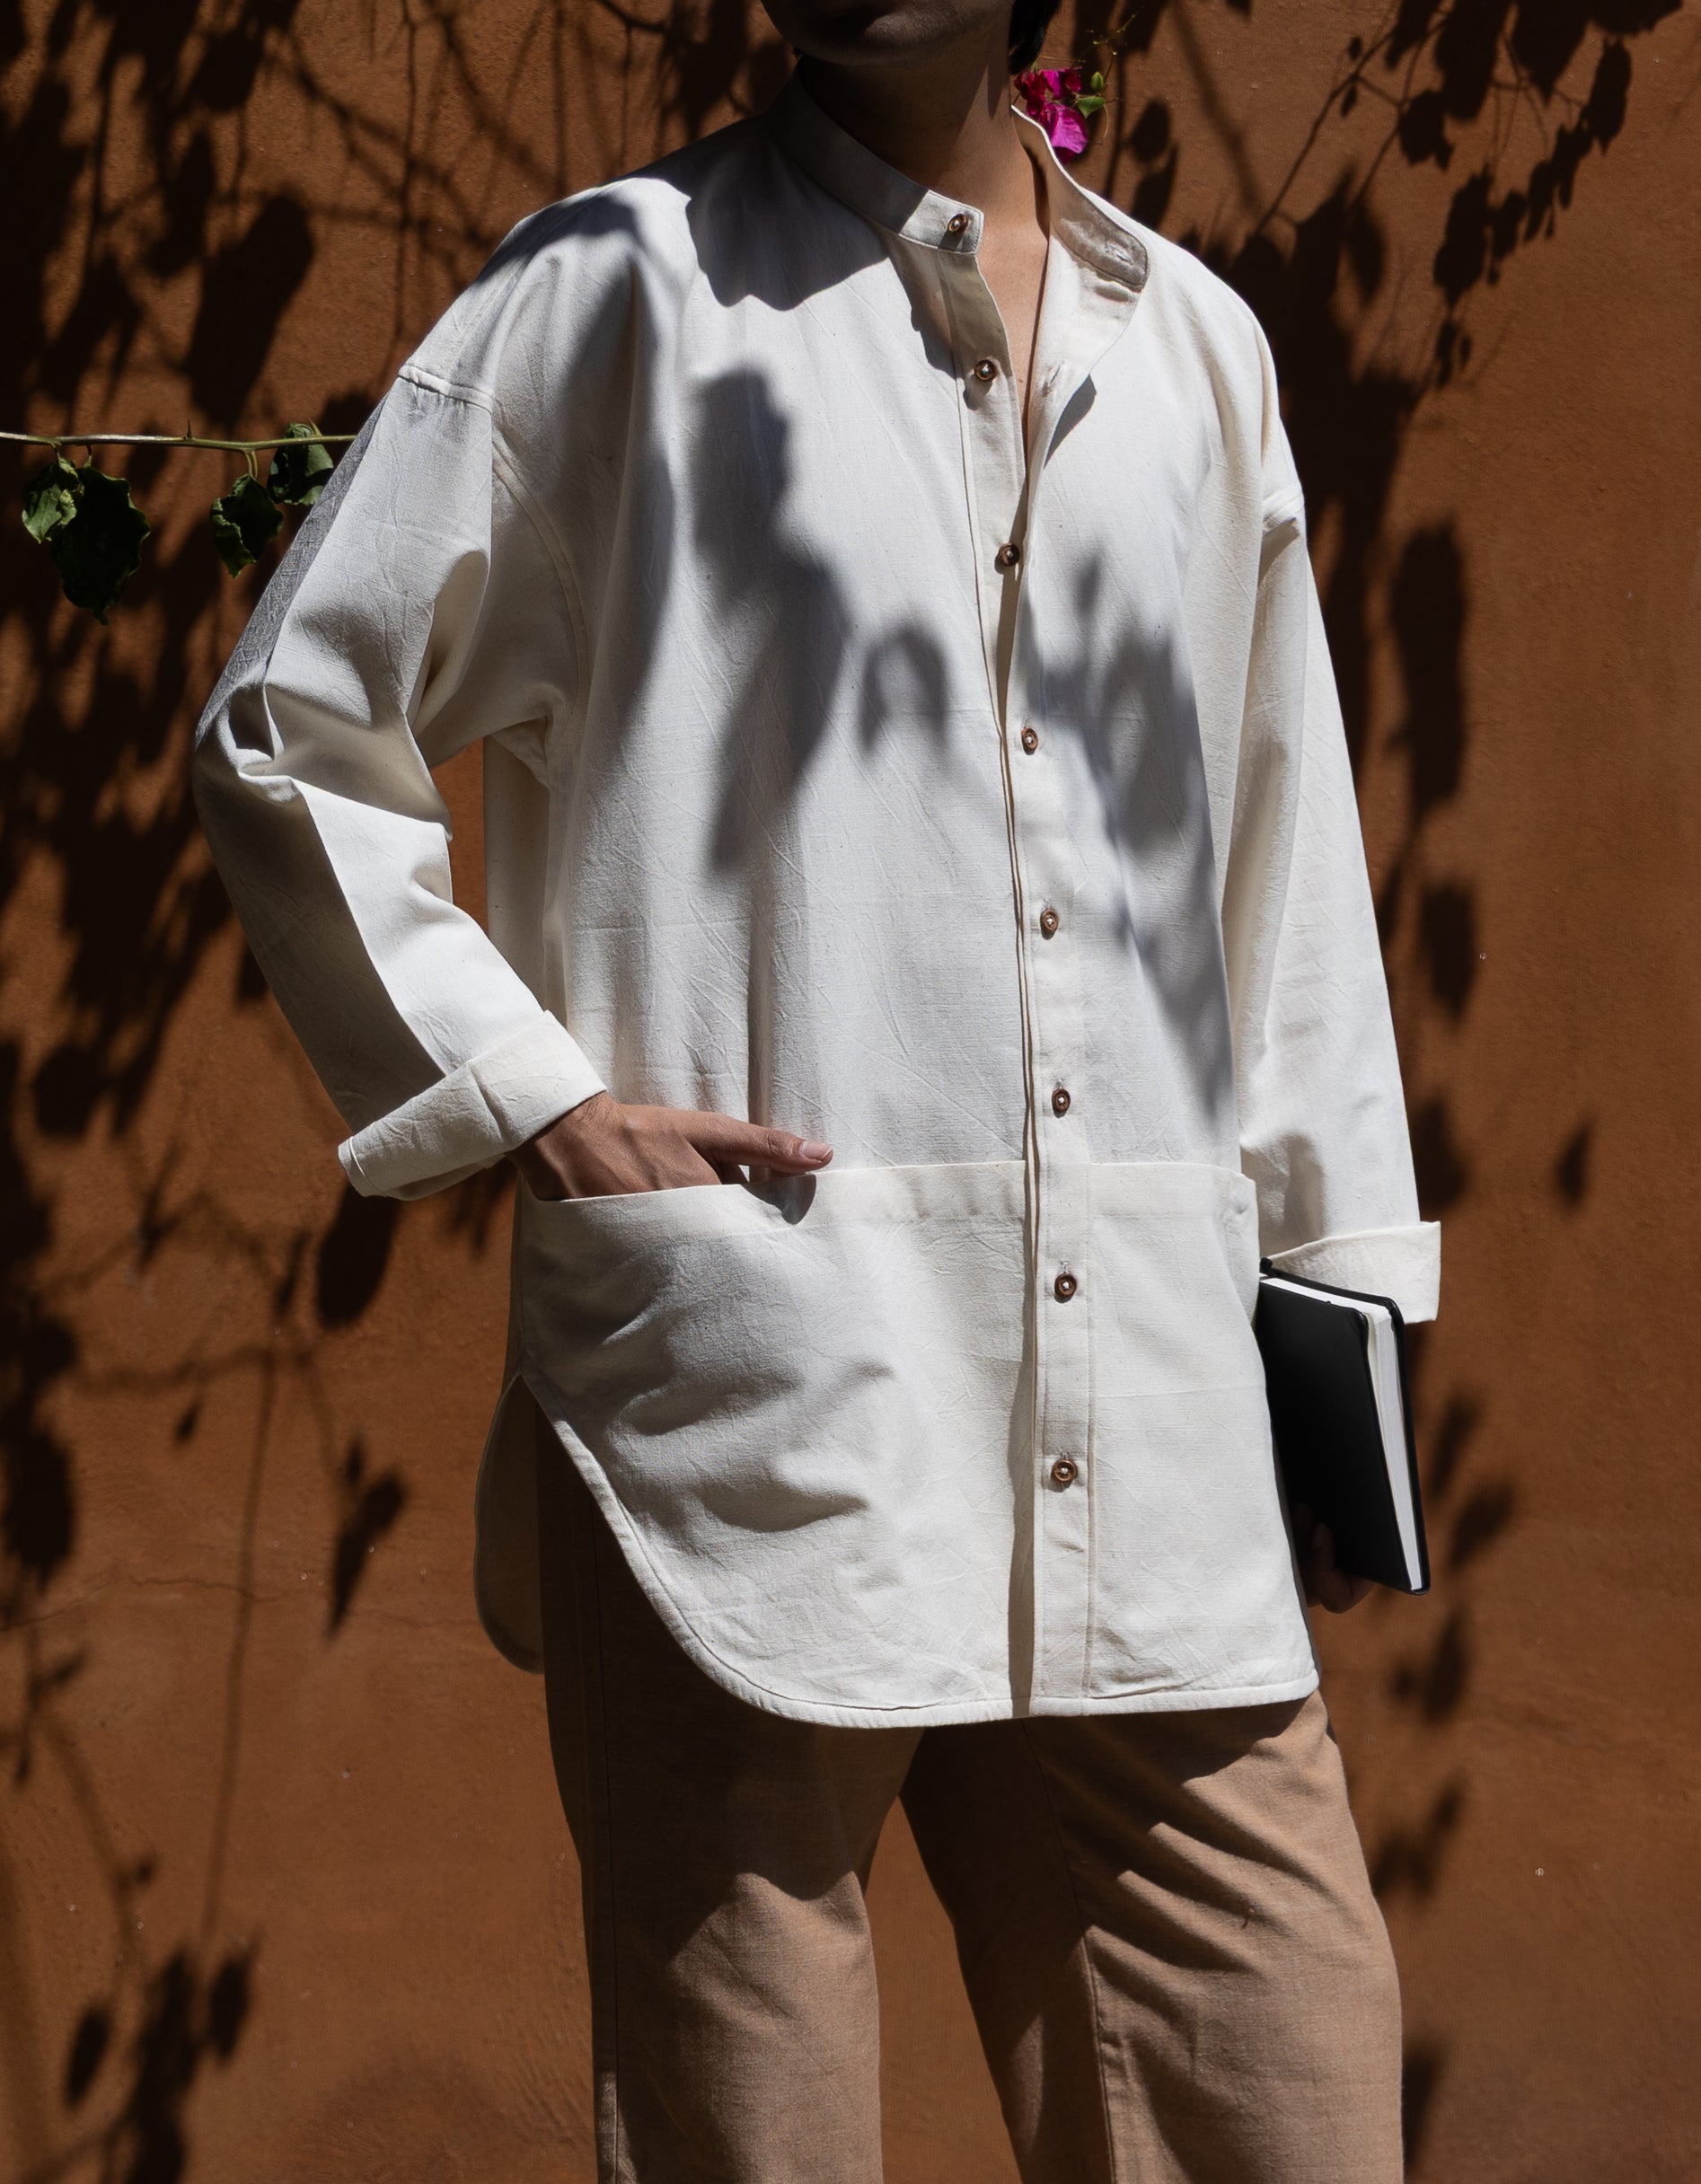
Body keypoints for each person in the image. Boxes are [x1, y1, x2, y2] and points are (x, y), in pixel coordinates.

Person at [194, 0, 1440, 2171]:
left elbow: (1280, 849)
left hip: (1143, 1410)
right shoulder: (611, 299)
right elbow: (292, 725)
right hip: (757, 1397)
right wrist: (531, 1092)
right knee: (744, 2136)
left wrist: (1335, 1289)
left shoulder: (1193, 350)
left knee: (1285, 2086)